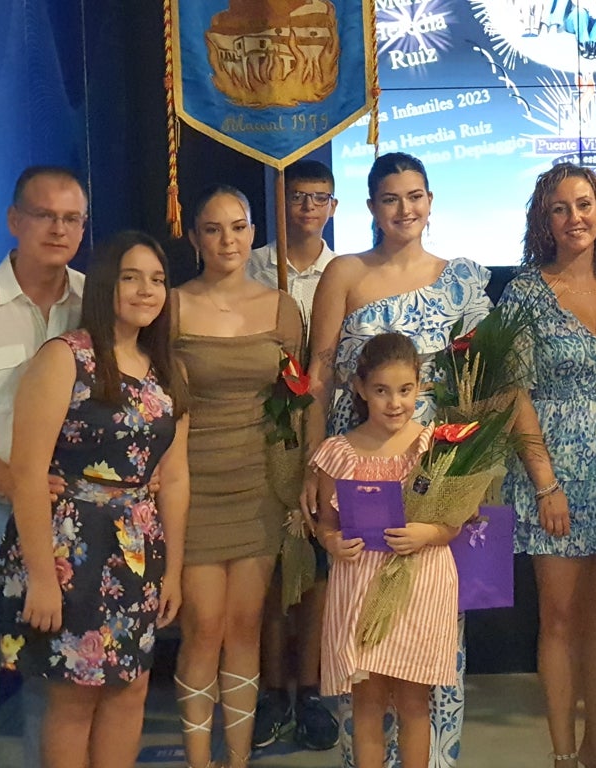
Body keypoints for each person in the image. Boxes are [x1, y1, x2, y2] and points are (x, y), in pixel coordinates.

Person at [305, 151, 492, 768]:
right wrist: (313, 463)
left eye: (415, 196)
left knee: (423, 649)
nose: (404, 209)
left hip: (432, 471)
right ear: (371, 208)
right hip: (355, 466)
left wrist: (471, 479)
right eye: (391, 198)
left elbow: (483, 383)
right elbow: (321, 373)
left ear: (431, 201)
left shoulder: (461, 278)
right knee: (364, 656)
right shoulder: (345, 273)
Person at [0, 231, 191, 767]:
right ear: (105, 284)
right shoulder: (65, 357)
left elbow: (174, 477)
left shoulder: (168, 368)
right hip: (70, 550)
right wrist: (42, 578)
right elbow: (28, 474)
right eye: (131, 277)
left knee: (132, 691)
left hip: (138, 551)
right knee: (74, 699)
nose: (147, 290)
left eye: (158, 279)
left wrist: (172, 572)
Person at [501, 163, 596, 768]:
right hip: (556, 476)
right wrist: (546, 484)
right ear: (544, 220)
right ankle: (564, 753)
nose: (574, 218)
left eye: (584, 205)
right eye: (560, 209)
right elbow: (516, 395)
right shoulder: (523, 292)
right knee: (560, 618)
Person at [0, 165, 87, 768]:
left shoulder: (99, 304)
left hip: (71, 523)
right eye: (45, 215)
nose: (58, 229)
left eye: (72, 218)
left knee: (52, 674)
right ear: (13, 221)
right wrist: (15, 481)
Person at [172, 185, 305, 768]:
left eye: (239, 226)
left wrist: (305, 482)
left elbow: (297, 403)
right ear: (194, 237)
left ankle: (239, 757)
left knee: (246, 624)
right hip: (191, 483)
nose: (228, 240)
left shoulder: (281, 307)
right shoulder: (169, 304)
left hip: (259, 486)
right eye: (213, 228)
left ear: (254, 231)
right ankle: (200, 759)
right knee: (204, 626)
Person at [310, 333, 458, 768]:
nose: (395, 402)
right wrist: (332, 541)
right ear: (360, 389)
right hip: (359, 583)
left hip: (420, 582)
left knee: (414, 701)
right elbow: (325, 524)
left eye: (405, 390)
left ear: (420, 386)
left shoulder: (436, 448)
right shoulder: (338, 453)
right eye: (381, 391)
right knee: (368, 702)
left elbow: (455, 521)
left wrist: (426, 532)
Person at [247, 159, 340, 752]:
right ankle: (269, 692)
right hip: (259, 437)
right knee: (267, 574)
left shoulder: (344, 271)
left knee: (317, 576)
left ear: (334, 207)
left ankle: (311, 690)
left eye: (320, 198)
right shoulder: (251, 265)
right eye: (298, 197)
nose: (308, 208)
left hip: (327, 434)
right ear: (281, 204)